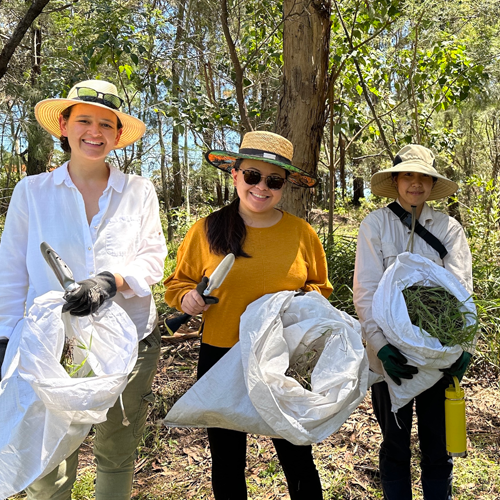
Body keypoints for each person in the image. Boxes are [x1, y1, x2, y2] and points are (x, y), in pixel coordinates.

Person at [0, 79, 167, 500]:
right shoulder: (32, 192)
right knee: (48, 456)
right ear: (64, 125)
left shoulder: (138, 191)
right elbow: (11, 271)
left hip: (130, 341)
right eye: (85, 121)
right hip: (51, 346)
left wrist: (111, 281)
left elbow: (152, 258)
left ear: (116, 135)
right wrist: (4, 339)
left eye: (106, 124)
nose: (95, 132)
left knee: (115, 449)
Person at [164, 131, 332, 500]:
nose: (261, 187)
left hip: (282, 358)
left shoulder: (301, 234)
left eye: (273, 180)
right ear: (235, 175)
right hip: (221, 355)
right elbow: (177, 284)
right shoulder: (206, 230)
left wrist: (300, 304)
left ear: (284, 185)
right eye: (252, 176)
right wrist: (188, 301)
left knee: (295, 451)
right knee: (226, 459)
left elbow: (321, 288)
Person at [353, 144, 474, 500]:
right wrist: (381, 346)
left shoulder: (449, 229)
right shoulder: (376, 225)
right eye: (408, 175)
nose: (416, 184)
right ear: (396, 180)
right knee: (394, 444)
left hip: (439, 358)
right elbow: (367, 291)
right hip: (392, 361)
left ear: (432, 184)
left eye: (424, 177)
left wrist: (464, 346)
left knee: (437, 446)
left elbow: (462, 291)